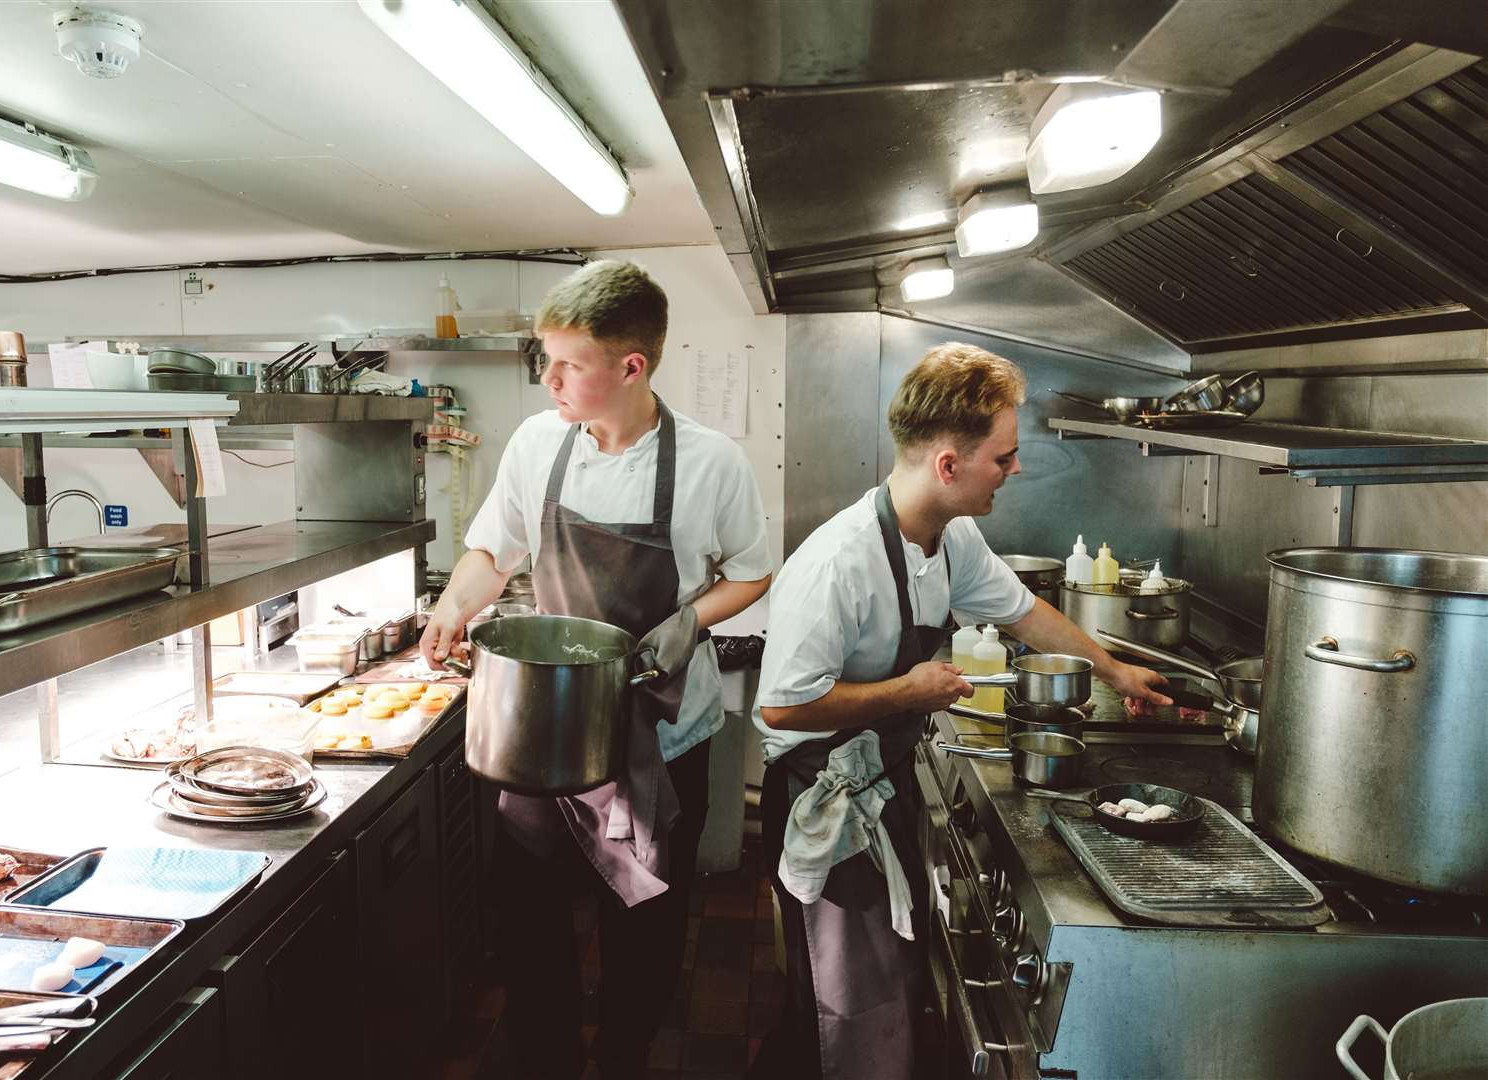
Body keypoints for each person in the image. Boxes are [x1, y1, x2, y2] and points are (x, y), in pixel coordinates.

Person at [749, 342, 1169, 1079]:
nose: (1015, 471)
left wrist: (1113, 669)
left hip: (882, 781)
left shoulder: (951, 536)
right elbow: (783, 709)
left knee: (885, 988)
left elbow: (1024, 612)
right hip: (823, 799)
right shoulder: (837, 565)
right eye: (1003, 458)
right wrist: (905, 693)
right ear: (949, 465)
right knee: (842, 1002)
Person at [418, 259, 772, 1080]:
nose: (550, 380)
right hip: (545, 733)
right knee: (531, 927)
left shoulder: (711, 462)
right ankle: (543, 1058)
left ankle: (624, 1056)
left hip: (663, 732)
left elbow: (752, 573)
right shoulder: (539, 445)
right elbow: (493, 552)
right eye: (548, 360)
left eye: (568, 364)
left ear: (631, 366)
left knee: (643, 929)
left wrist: (692, 618)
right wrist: (452, 608)